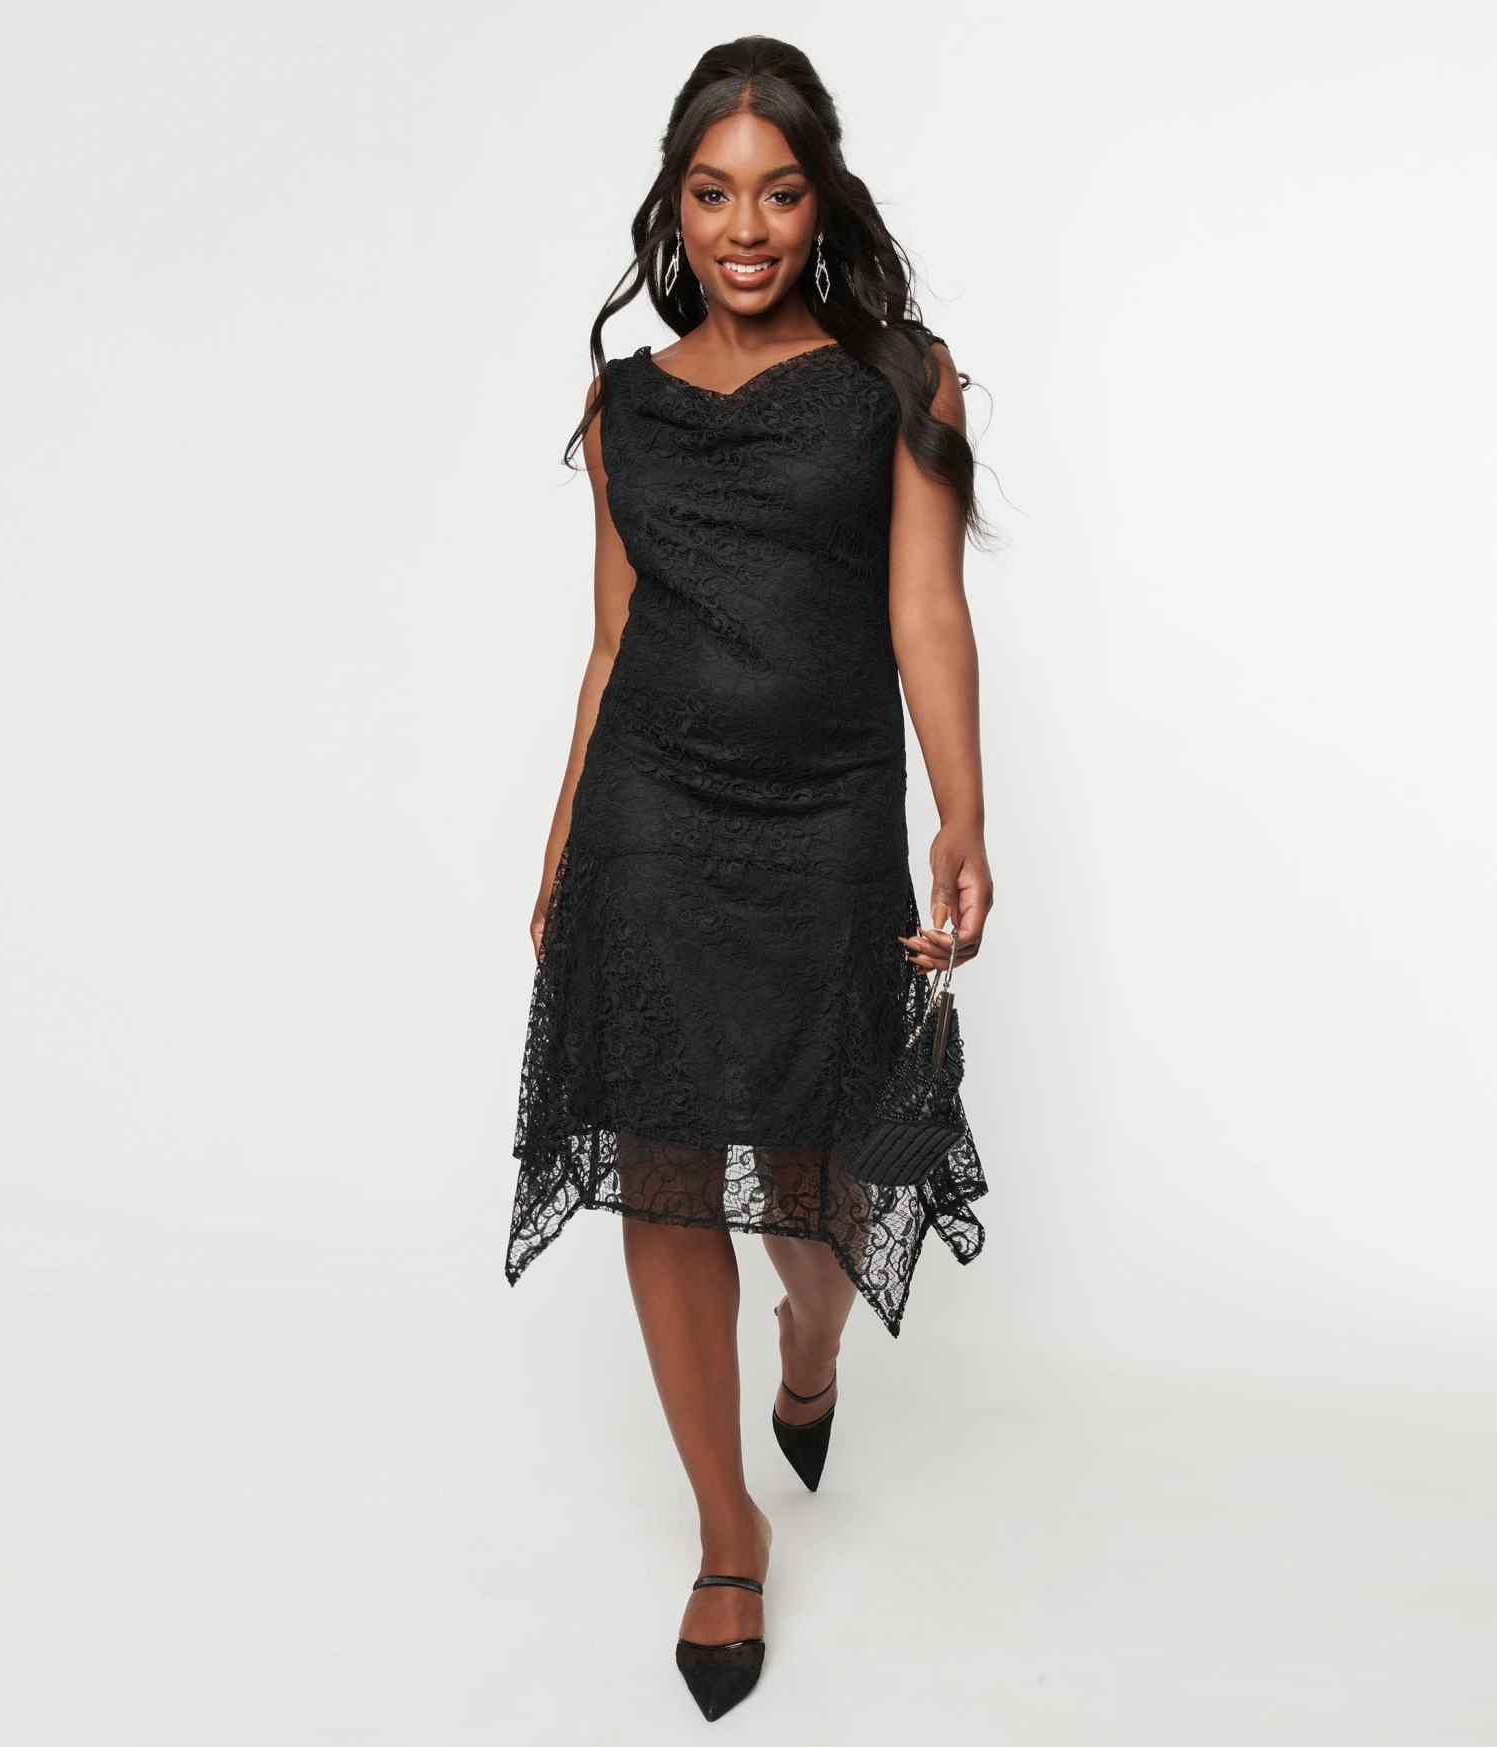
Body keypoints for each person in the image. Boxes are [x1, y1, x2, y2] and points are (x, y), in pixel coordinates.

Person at [506, 35, 995, 1722]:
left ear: (821, 203)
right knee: (659, 1163)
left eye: (778, 194)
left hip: (826, 812)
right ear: (673, 204)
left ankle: (810, 1344)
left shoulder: (897, 382)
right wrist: (563, 838)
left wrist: (963, 814)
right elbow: (611, 640)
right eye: (713, 194)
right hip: (649, 810)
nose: (744, 228)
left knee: (812, 1179)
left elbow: (926, 609)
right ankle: (729, 1531)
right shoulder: (624, 405)